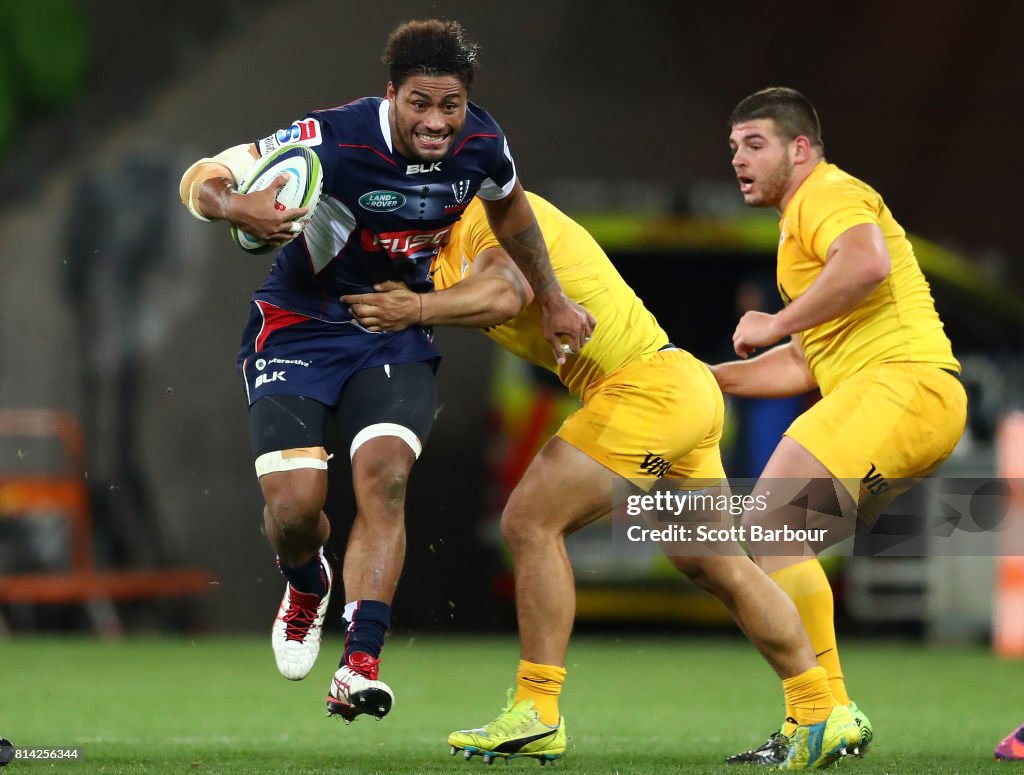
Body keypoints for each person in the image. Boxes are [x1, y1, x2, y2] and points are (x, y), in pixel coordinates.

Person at [343, 191, 861, 769]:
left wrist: (415, 310)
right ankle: (821, 709)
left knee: (530, 521)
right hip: (676, 384)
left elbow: (502, 291)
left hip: (645, 390)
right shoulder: (431, 250)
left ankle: (537, 710)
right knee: (715, 561)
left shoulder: (487, 221)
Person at [177, 19, 593, 723]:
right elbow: (201, 176)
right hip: (299, 323)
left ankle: (359, 662)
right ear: (391, 95)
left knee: (387, 480)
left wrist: (551, 295)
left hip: (391, 328)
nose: (436, 122)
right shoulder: (332, 137)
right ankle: (307, 581)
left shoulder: (484, 144)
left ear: (467, 104)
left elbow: (513, 212)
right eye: (420, 104)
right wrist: (235, 202)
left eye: (450, 105)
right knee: (294, 509)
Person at [712, 86, 968, 764]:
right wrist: (701, 379)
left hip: (902, 384)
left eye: (756, 144)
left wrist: (774, 317)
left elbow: (867, 263)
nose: (739, 159)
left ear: (800, 149)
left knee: (769, 523)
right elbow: (802, 363)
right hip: (914, 404)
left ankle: (824, 709)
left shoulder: (822, 194)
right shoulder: (801, 223)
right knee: (773, 549)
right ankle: (821, 718)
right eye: (734, 148)